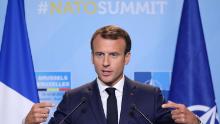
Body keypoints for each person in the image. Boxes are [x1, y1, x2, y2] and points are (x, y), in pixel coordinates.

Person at [25, 25, 200, 124]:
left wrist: (195, 123)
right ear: (92, 57)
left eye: (114, 55)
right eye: (99, 54)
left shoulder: (150, 96)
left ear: (127, 58)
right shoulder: (74, 99)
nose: (106, 63)